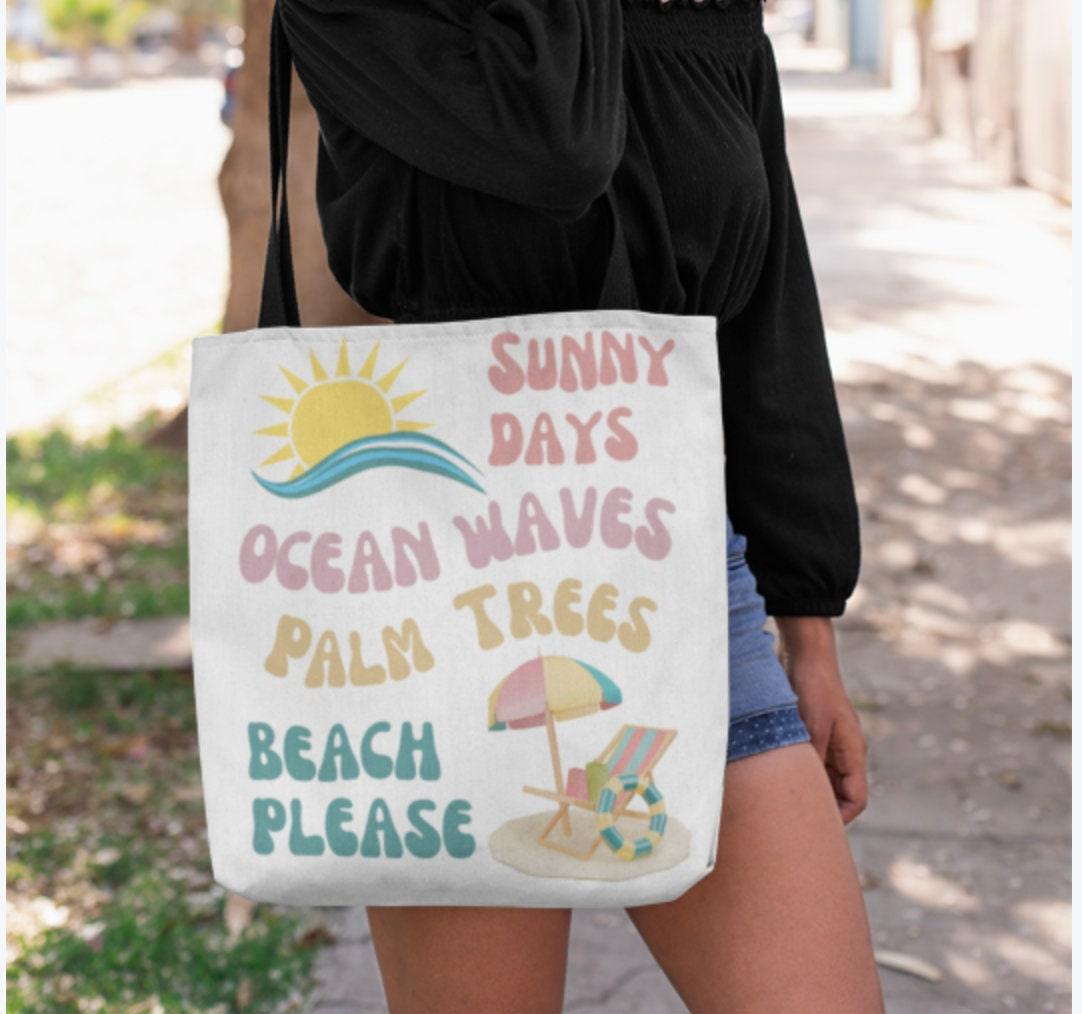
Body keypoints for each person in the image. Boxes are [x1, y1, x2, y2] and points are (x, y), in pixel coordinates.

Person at [276, 0, 884, 1009]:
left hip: (682, 589)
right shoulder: (363, 13)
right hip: (434, 616)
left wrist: (808, 632)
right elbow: (556, 147)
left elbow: (767, 319)